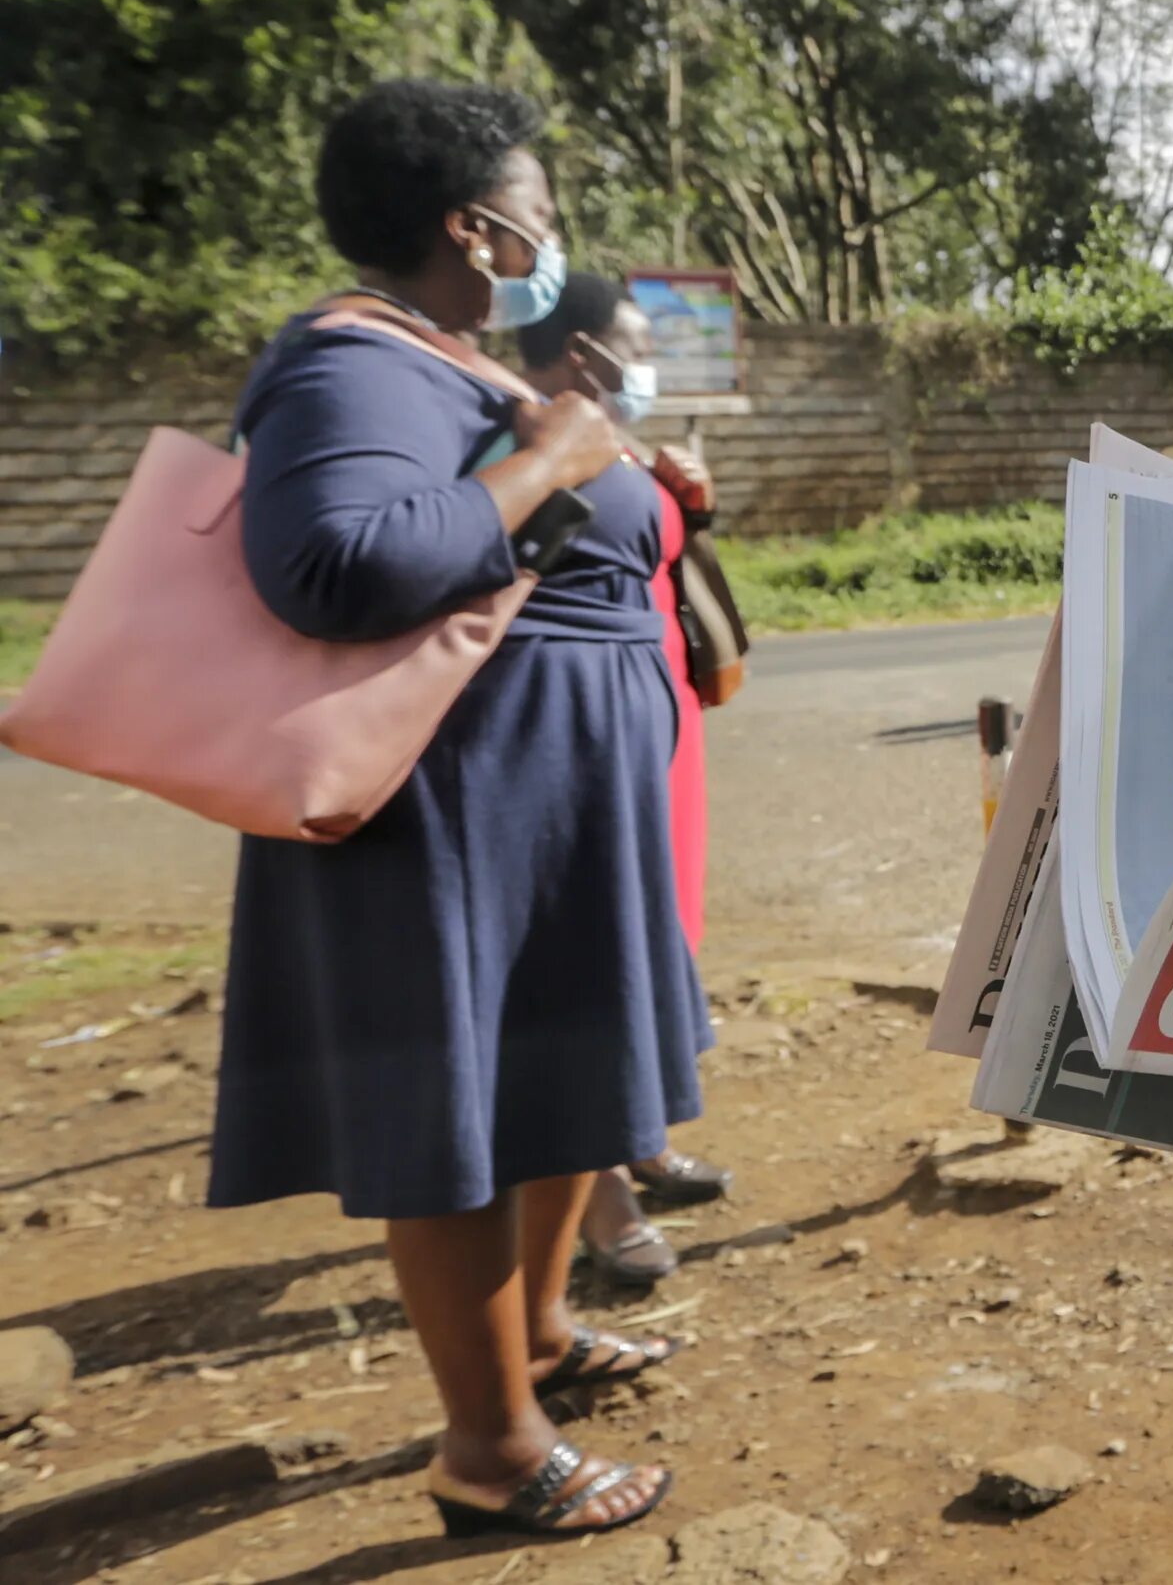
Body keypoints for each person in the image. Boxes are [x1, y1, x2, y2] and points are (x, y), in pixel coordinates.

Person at [213, 81, 706, 1540]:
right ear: (475, 229)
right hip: (452, 818)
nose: (553, 242)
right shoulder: (344, 368)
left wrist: (623, 483)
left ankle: (541, 1338)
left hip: (541, 807)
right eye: (539, 219)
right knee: (464, 1119)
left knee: (558, 1083)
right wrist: (553, 459)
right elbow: (338, 563)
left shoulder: (449, 368)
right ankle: (488, 1448)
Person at [517, 274, 737, 1286]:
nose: (646, 365)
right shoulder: (524, 440)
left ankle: (639, 1131)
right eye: (633, 345)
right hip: (574, 727)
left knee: (658, 929)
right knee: (592, 945)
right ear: (577, 352)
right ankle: (599, 1188)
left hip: (659, 717)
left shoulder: (616, 446)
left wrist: (685, 499)